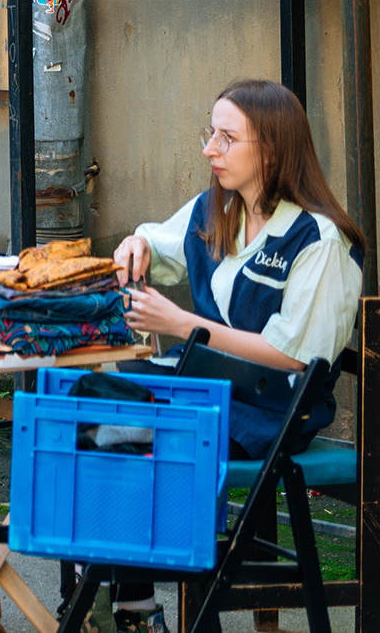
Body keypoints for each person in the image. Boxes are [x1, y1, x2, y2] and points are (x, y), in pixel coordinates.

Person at [106, 79, 365, 632]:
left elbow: (292, 359)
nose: (209, 150)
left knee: (135, 434)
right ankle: (123, 597)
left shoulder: (318, 240)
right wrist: (137, 245)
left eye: (227, 138)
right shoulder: (215, 209)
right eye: (210, 133)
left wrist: (182, 326)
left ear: (270, 150)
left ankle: (131, 602)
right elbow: (160, 241)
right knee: (98, 405)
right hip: (208, 391)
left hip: (273, 409)